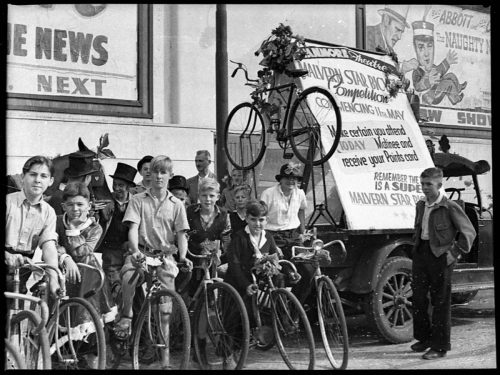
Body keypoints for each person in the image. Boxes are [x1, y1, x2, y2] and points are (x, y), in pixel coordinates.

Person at [114, 155, 192, 341]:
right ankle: (126, 315)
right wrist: (135, 251)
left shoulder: (177, 204)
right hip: (141, 252)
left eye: (163, 172)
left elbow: (181, 234)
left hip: (164, 257)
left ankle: (165, 354)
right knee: (128, 277)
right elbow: (133, 228)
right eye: (155, 171)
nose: (158, 176)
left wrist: (183, 256)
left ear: (170, 175)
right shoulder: (138, 200)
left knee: (166, 308)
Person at [410, 167, 476, 359]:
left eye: (428, 184)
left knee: (441, 301)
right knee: (419, 298)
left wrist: (454, 252)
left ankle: (440, 347)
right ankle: (424, 339)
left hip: (441, 257)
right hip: (422, 253)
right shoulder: (421, 204)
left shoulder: (449, 206)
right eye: (422, 184)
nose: (424, 188)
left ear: (439, 185)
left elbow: (469, 232)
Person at [55, 182, 115, 325]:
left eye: (80, 204)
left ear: (89, 206)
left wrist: (73, 229)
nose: (75, 209)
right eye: (70, 205)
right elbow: (52, 245)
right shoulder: (57, 222)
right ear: (63, 206)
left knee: (88, 262)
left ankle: (85, 329)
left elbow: (83, 252)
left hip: (86, 272)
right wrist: (65, 257)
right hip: (61, 266)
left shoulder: (95, 228)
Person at [5, 155, 61, 297]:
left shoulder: (49, 213)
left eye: (43, 176)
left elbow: (49, 247)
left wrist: (53, 279)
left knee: (16, 308)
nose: (37, 180)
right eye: (33, 174)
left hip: (22, 267)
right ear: (23, 177)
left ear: (50, 181)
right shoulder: (8, 202)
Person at [260, 162, 313, 305]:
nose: (291, 181)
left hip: (294, 236)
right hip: (272, 236)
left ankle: (295, 307)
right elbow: (261, 218)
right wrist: (270, 244)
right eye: (288, 178)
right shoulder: (268, 194)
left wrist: (302, 231)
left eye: (295, 179)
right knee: (280, 275)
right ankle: (279, 313)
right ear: (280, 179)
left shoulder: (300, 193)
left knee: (308, 271)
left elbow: (301, 210)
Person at [97, 162, 138, 309]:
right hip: (111, 251)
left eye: (121, 185)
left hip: (129, 251)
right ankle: (113, 324)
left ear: (128, 187)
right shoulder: (107, 201)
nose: (116, 188)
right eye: (115, 184)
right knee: (113, 286)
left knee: (131, 288)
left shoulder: (135, 202)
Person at [185, 178, 231, 298]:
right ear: (199, 195)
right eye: (204, 195)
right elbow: (182, 233)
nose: (208, 199)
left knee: (214, 293)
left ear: (218, 196)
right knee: (190, 292)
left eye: (211, 195)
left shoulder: (224, 215)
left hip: (214, 260)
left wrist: (222, 251)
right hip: (192, 258)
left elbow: (226, 238)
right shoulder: (190, 212)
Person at [411, 20, 467, 106]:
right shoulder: (416, 71)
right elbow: (417, 87)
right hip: (429, 96)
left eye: (429, 46)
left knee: (450, 75)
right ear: (415, 49)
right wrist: (427, 81)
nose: (426, 54)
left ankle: (458, 88)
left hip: (437, 89)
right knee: (448, 83)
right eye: (421, 47)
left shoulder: (432, 66)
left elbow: (439, 71)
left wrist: (447, 62)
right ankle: (455, 98)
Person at [366, 5, 418, 75]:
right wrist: (401, 67)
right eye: (397, 29)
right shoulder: (367, 35)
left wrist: (402, 67)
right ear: (386, 20)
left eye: (401, 32)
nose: (399, 37)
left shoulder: (389, 49)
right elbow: (372, 68)